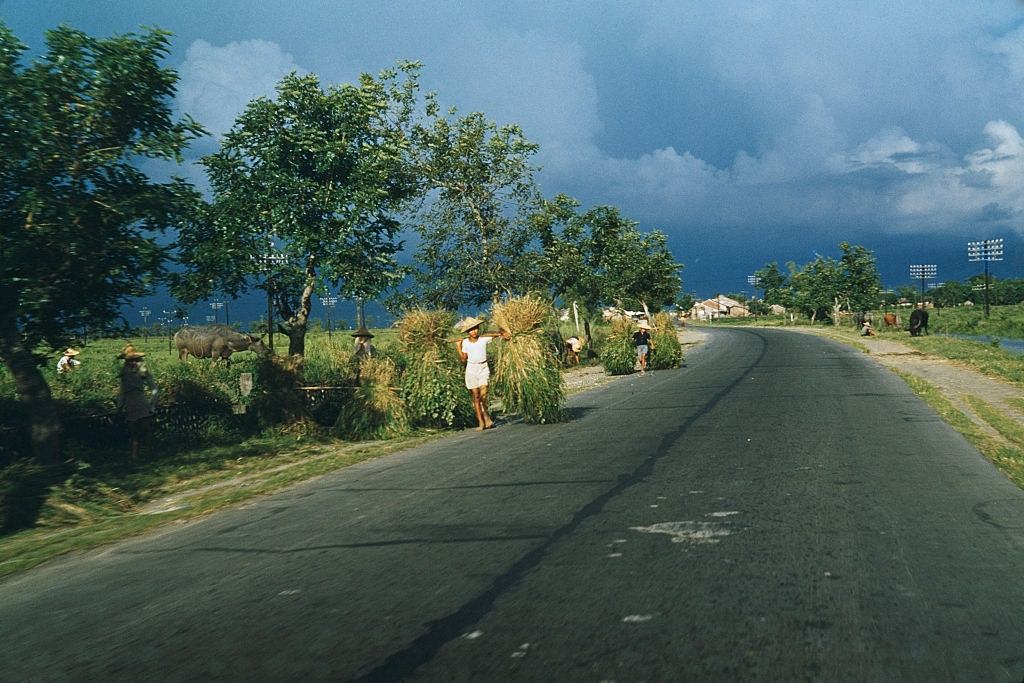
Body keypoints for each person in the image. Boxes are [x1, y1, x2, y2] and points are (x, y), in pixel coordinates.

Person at [454, 317, 510, 431]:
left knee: (483, 395)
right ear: (467, 332)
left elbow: (495, 334)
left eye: (475, 328)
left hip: (483, 368)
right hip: (471, 369)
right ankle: (481, 421)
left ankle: (486, 417)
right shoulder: (465, 343)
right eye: (471, 330)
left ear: (478, 328)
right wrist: (458, 347)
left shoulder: (483, 339)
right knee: (476, 397)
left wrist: (503, 333)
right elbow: (463, 359)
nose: (474, 331)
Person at [117, 344, 158, 459]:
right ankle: (136, 455)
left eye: (134, 360)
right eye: (129, 360)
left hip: (140, 402)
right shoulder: (124, 374)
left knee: (145, 429)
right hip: (130, 404)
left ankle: (148, 453)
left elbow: (154, 389)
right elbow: (121, 392)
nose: (132, 362)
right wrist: (120, 406)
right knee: (135, 432)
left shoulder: (142, 371)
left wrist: (152, 405)